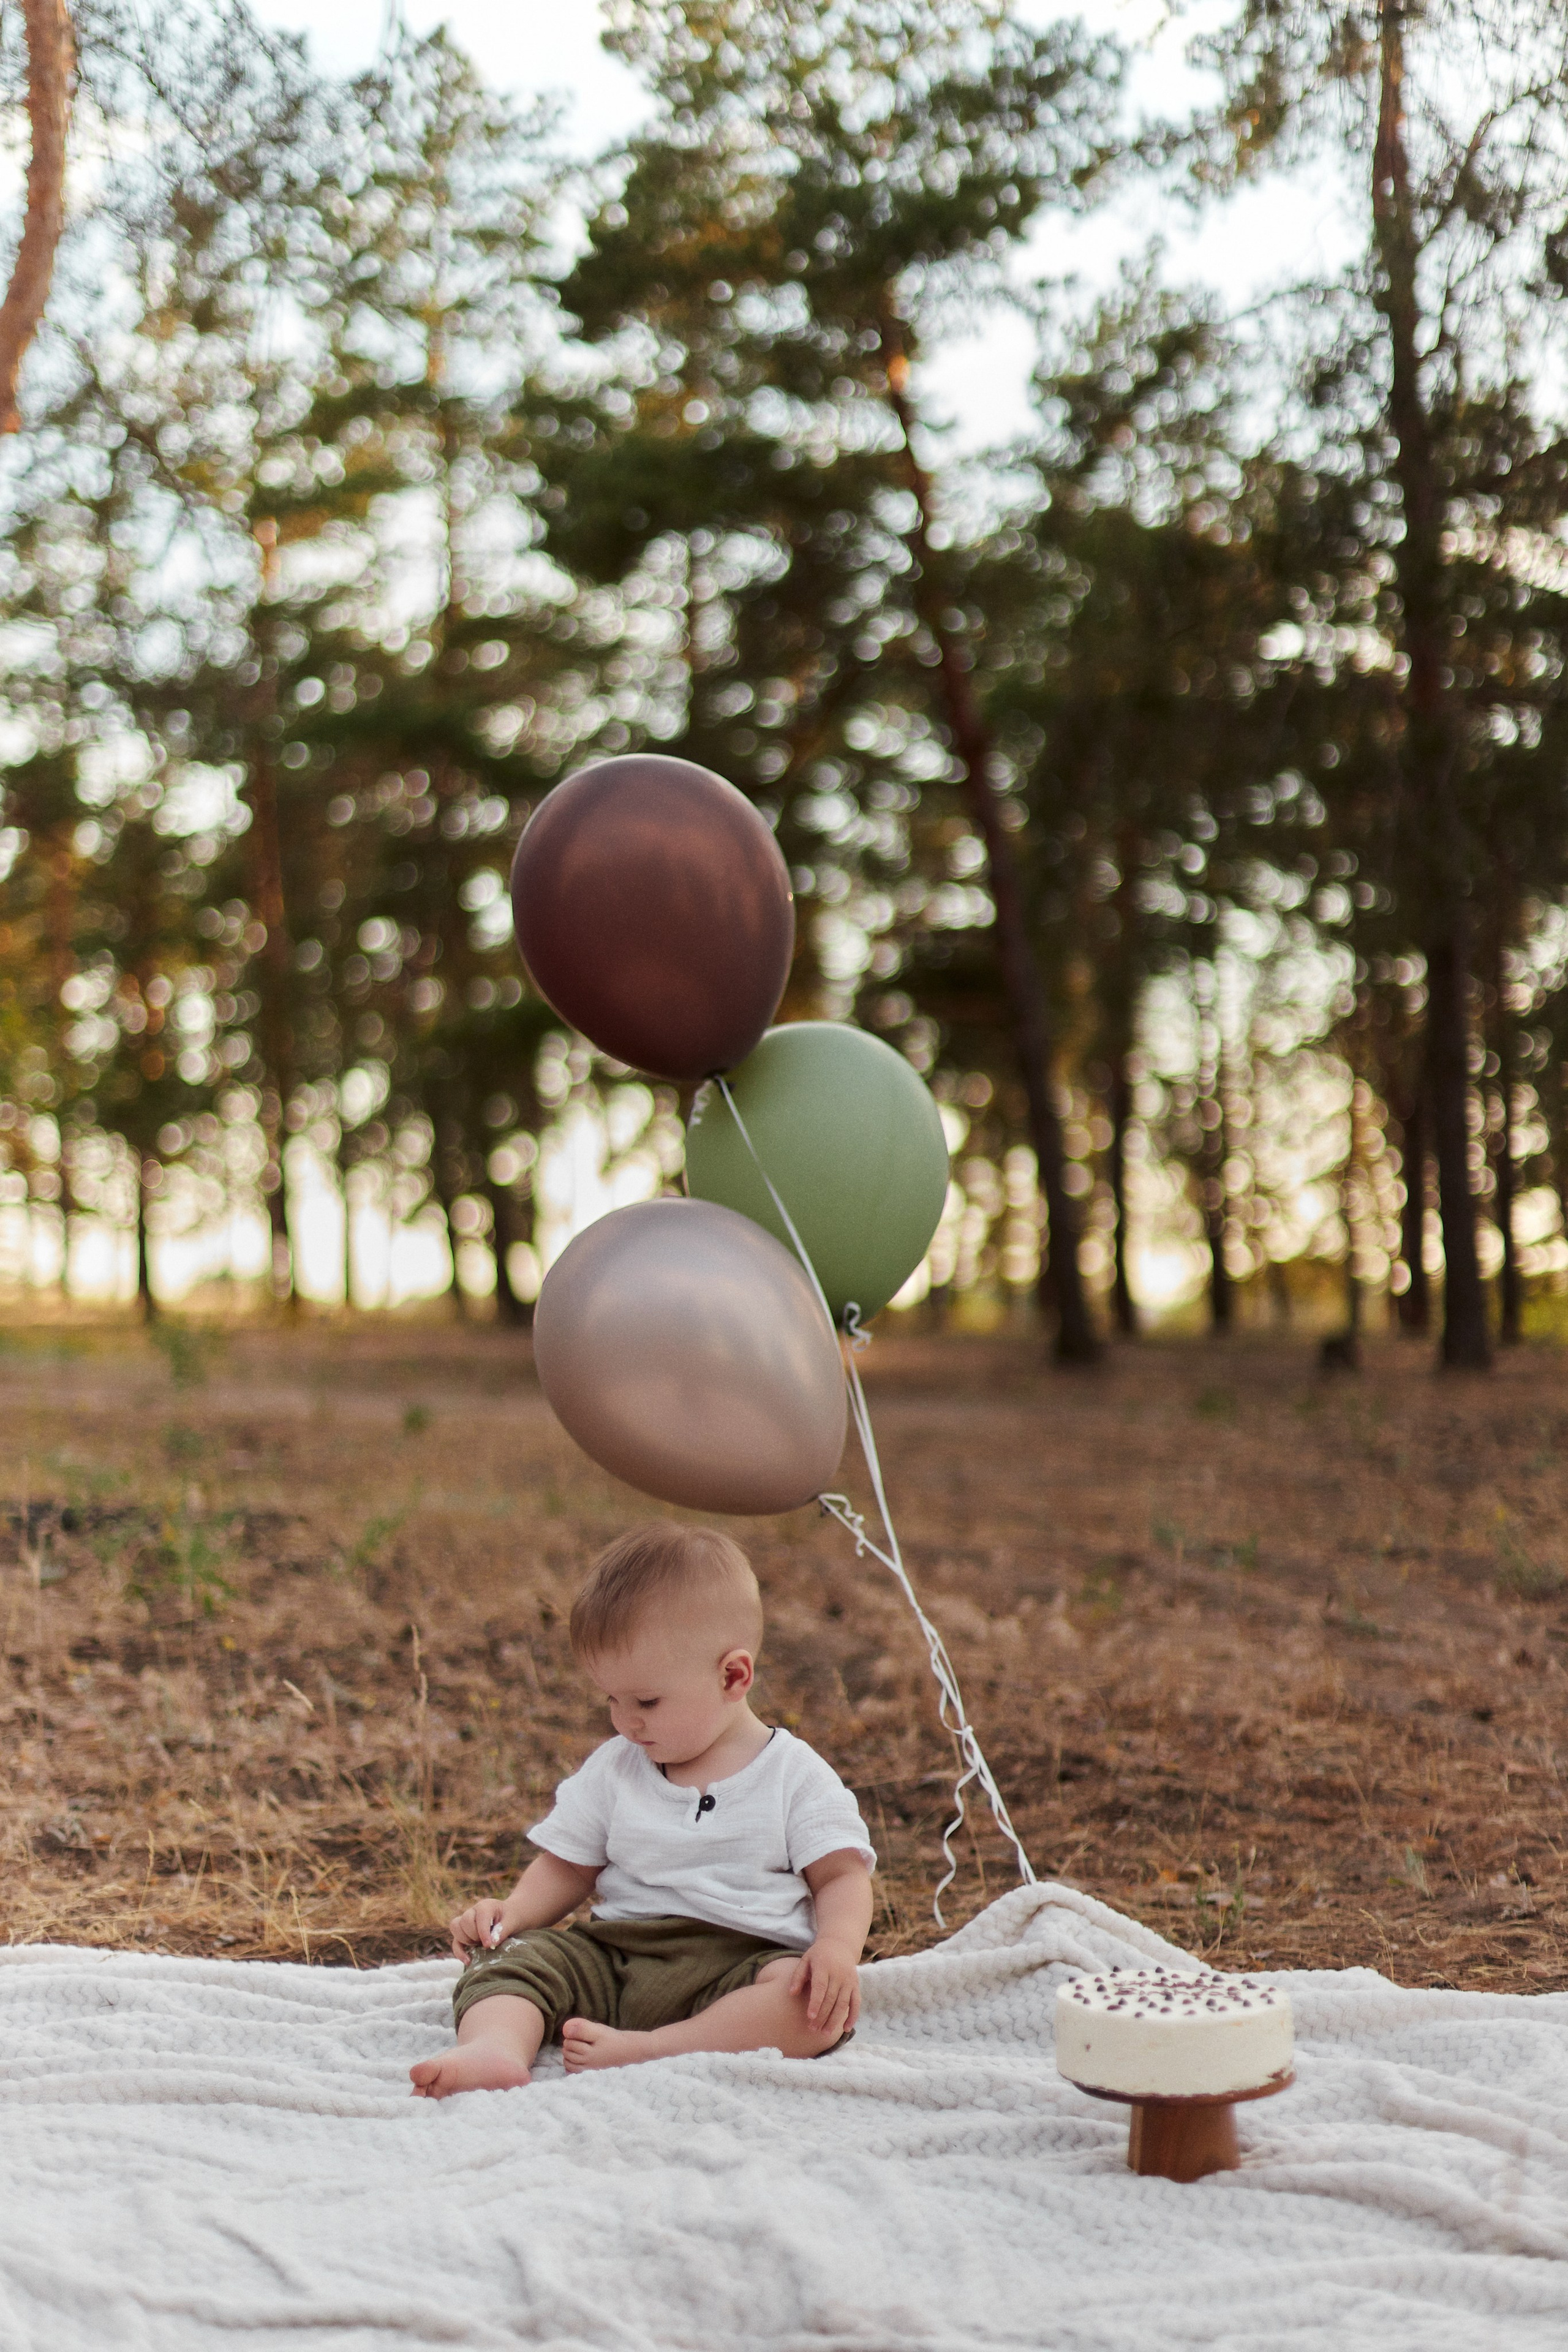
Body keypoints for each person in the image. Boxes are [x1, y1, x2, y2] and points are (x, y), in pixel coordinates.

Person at [410, 1523, 876, 2097]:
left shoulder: (794, 1775)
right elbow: (568, 1865)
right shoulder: (617, 1766)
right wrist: (512, 1914)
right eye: (611, 1698)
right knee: (510, 1960)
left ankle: (658, 2048)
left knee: (809, 2007)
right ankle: (495, 2049)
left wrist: (835, 1948)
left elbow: (841, 1876)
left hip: (739, 1964)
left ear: (734, 1675)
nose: (625, 1721)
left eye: (647, 1702)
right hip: (617, 1954)